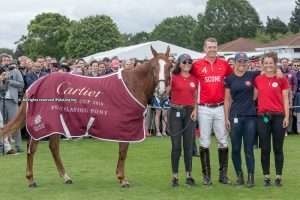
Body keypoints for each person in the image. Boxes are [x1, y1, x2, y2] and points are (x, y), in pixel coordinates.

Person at [191, 37, 232, 185]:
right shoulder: (196, 65)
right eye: (210, 47)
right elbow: (190, 83)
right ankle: (206, 176)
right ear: (204, 48)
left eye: (214, 47)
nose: (212, 49)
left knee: (223, 141)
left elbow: (236, 76)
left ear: (217, 48)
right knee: (205, 142)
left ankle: (223, 175)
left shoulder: (224, 64)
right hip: (204, 108)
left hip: (220, 107)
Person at [254, 52, 289, 187]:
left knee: (278, 148)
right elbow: (254, 97)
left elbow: (285, 99)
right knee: (265, 148)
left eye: (271, 63)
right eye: (266, 63)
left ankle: (278, 176)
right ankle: (266, 176)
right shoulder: (258, 79)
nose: (269, 65)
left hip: (279, 117)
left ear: (275, 64)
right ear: (263, 64)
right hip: (263, 117)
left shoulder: (282, 79)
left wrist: (286, 116)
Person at [224, 53, 259, 187]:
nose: (242, 63)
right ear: (235, 62)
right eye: (240, 61)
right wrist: (226, 118)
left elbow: (270, 70)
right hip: (235, 117)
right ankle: (240, 175)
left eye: (245, 61)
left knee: (249, 148)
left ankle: (251, 176)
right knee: (236, 149)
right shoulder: (229, 79)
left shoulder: (252, 75)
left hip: (250, 117)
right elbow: (227, 100)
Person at [168, 54, 197, 187]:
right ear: (179, 64)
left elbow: (196, 96)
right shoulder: (173, 77)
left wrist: (196, 110)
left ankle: (189, 175)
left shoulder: (194, 79)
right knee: (176, 146)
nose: (187, 64)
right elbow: (164, 92)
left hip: (190, 112)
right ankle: (174, 176)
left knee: (188, 145)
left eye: (189, 61)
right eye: (184, 61)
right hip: (175, 112)